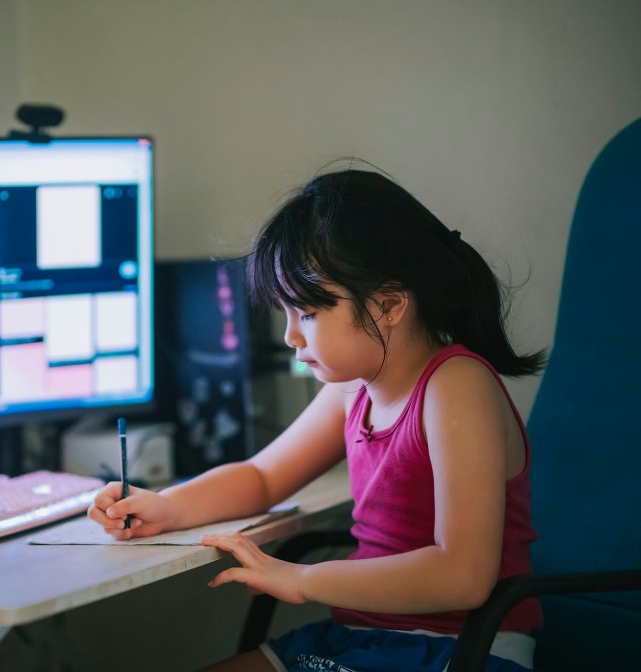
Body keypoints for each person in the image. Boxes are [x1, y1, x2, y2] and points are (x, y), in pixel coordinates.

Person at [88, 165, 546, 672]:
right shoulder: (352, 389)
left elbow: (463, 575)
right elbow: (262, 478)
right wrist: (166, 506)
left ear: (390, 305)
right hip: (364, 636)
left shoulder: (455, 386)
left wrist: (301, 580)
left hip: (462, 649)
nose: (290, 336)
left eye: (306, 313)